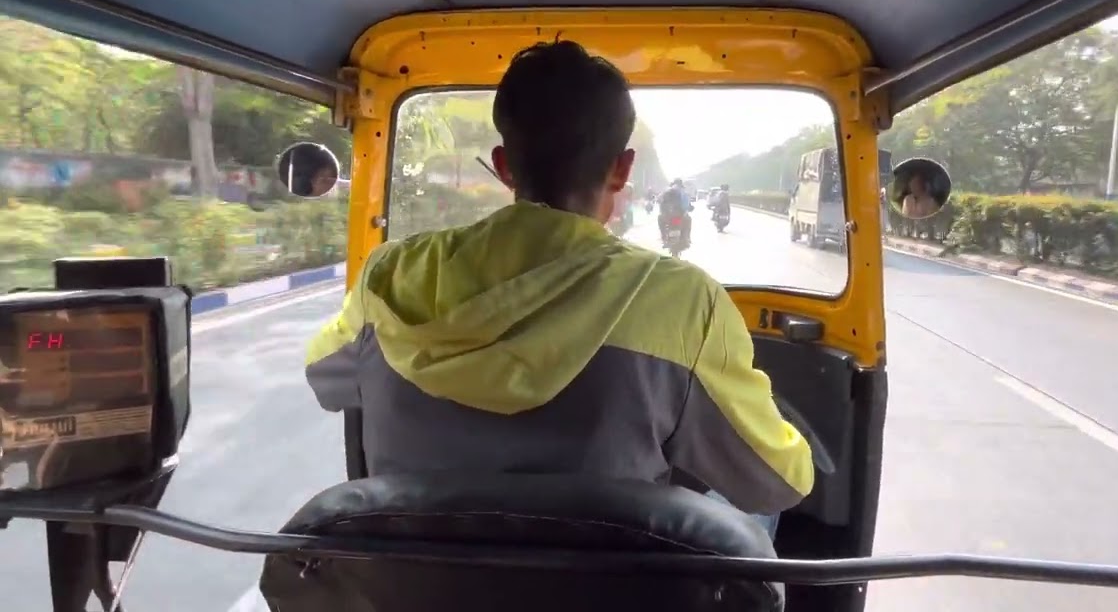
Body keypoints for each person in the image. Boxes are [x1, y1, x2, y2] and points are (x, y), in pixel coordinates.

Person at [304, 40, 813, 537]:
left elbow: (326, 382)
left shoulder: (391, 274)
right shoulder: (683, 302)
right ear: (622, 169)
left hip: (409, 591)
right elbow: (778, 482)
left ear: (503, 166)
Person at [658, 178, 694, 245]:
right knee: (689, 220)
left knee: (660, 219)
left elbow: (660, 201)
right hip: (680, 216)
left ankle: (663, 236)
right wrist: (689, 208)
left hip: (667, 217)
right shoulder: (683, 192)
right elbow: (686, 205)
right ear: (681, 184)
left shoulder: (666, 191)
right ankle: (688, 238)